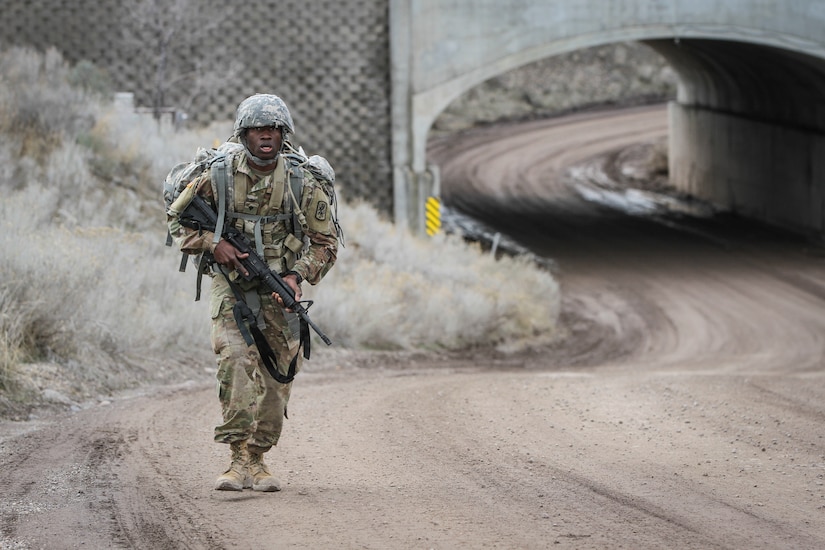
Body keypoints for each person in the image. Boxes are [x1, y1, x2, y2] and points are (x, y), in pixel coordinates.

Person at [166, 93, 339, 491]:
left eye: (274, 130)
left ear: (284, 134)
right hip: (231, 286)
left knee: (279, 377)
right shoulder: (219, 175)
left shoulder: (301, 181)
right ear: (244, 133)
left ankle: (259, 456)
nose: (266, 136)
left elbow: (324, 243)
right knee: (234, 360)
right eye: (259, 129)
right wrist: (214, 245)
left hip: (280, 288)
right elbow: (178, 220)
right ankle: (237, 457)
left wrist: (296, 277)